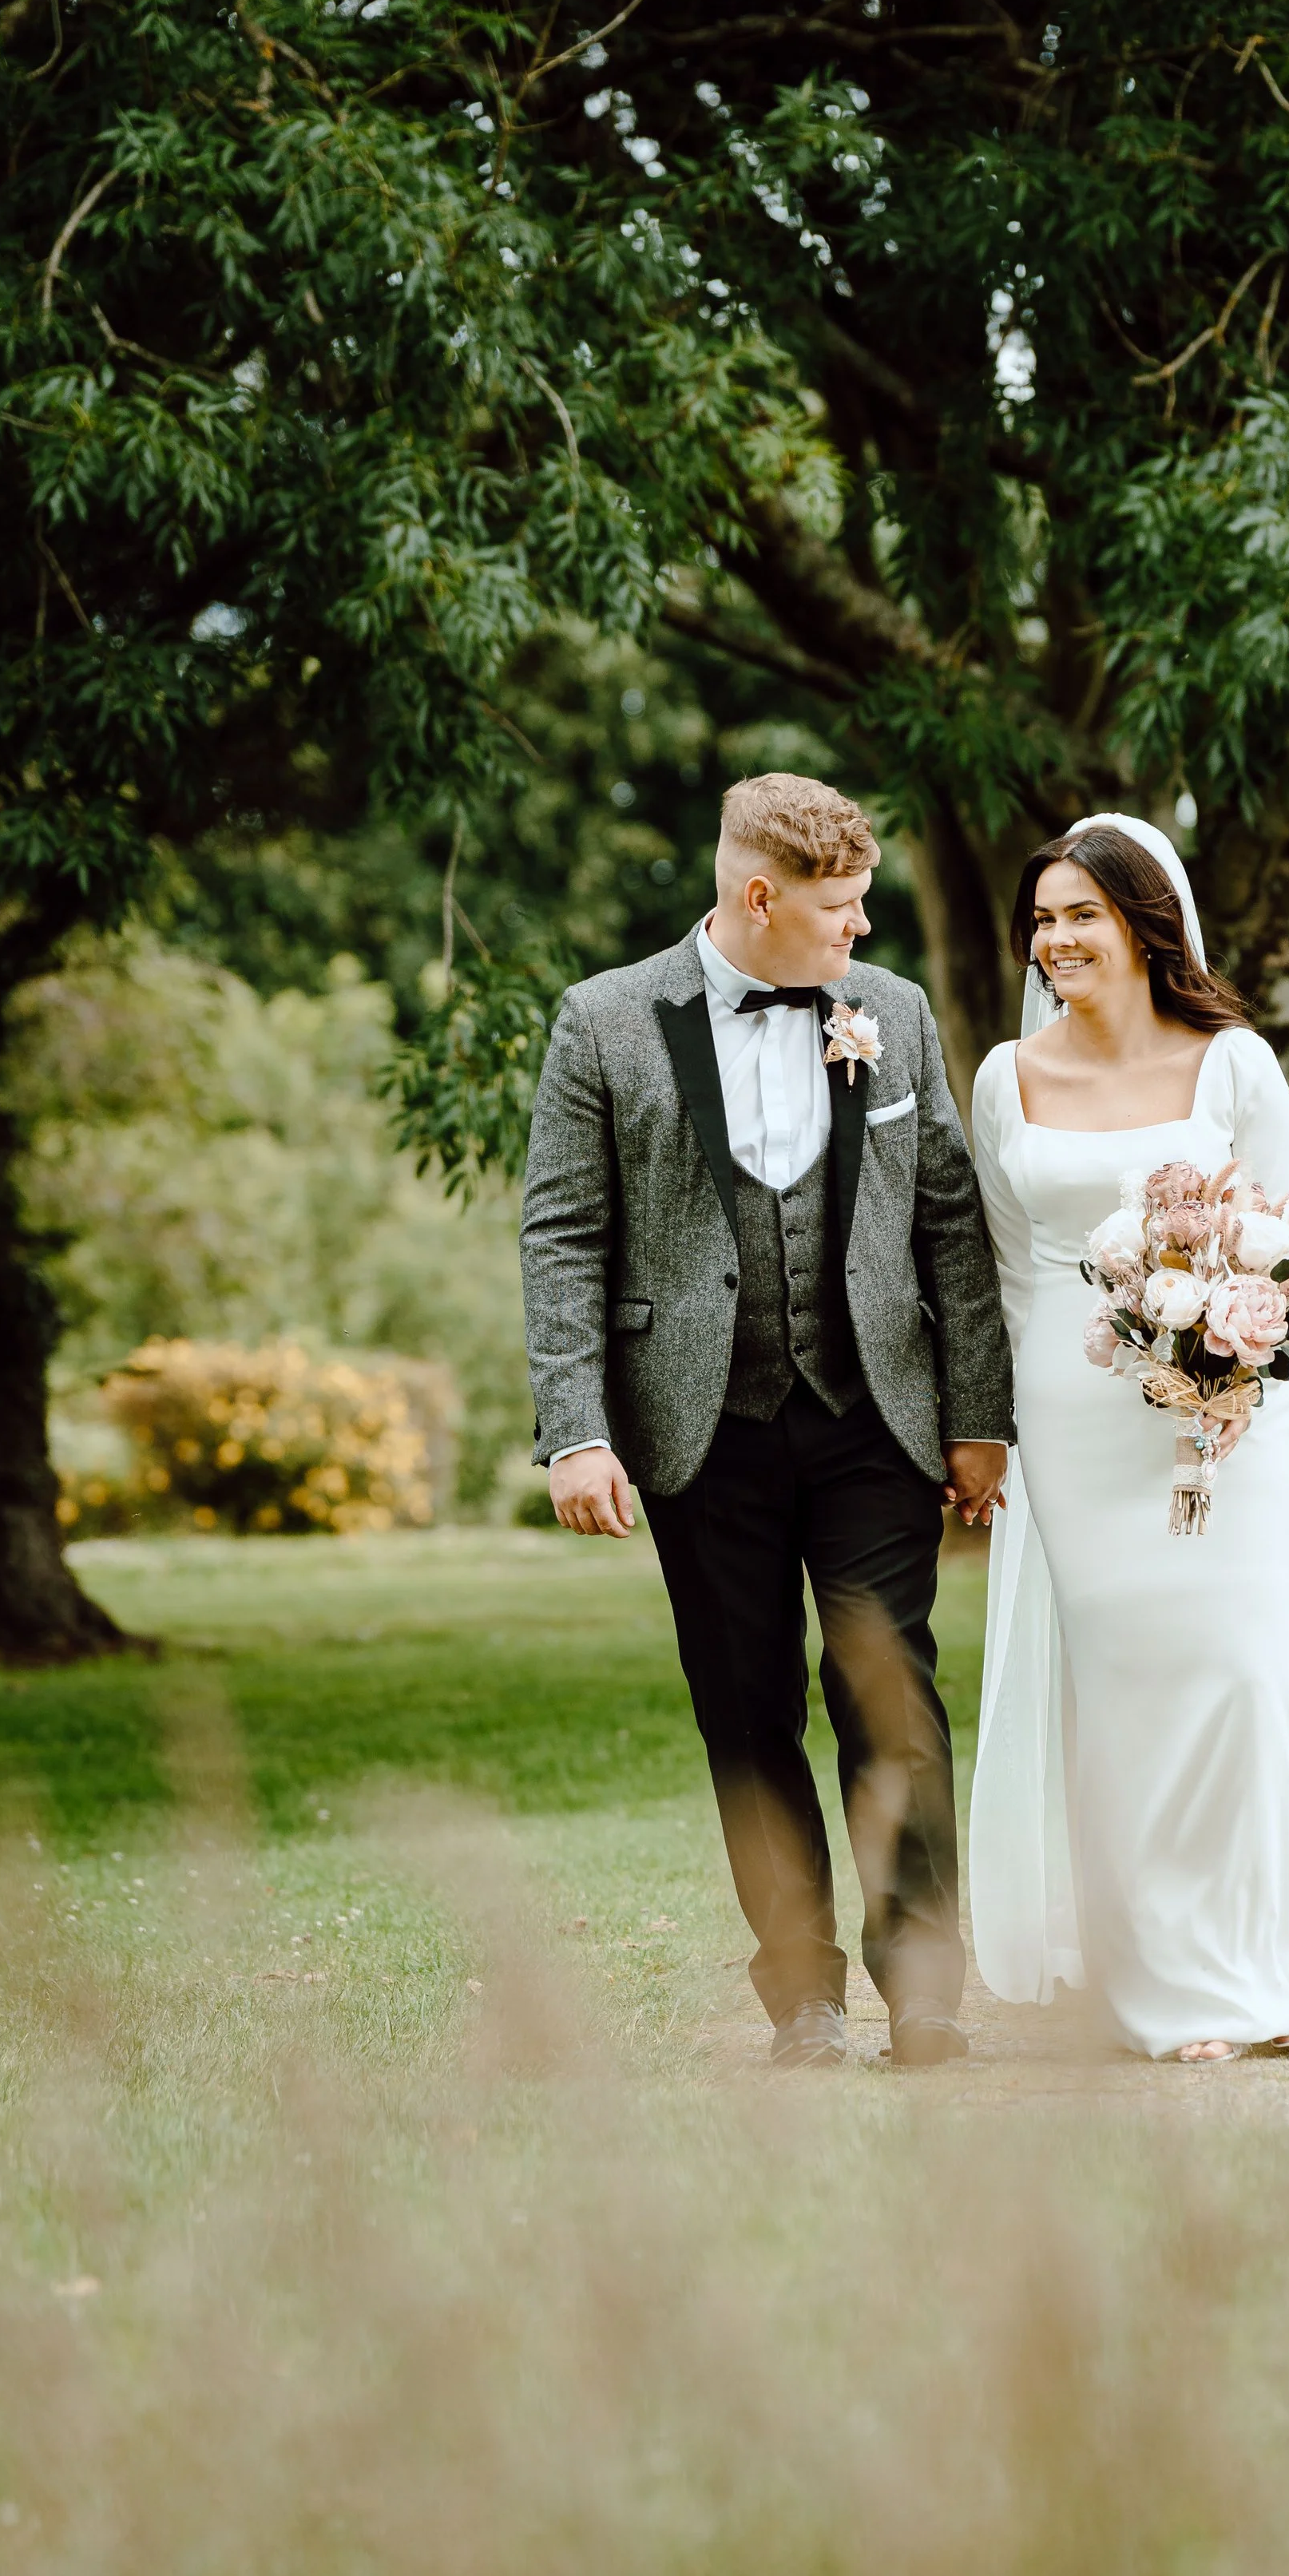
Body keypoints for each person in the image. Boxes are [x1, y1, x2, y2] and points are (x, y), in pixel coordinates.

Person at [966, 814, 1289, 2063]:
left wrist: (1228, 1357)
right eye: (1042, 918)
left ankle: (1281, 1951)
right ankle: (1179, 1981)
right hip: (1074, 1415)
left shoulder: (1233, 1064)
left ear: (1147, 925)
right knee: (1129, 1678)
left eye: (1082, 913)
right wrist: (1003, 1430)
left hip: (1234, 1412)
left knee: (1242, 1660)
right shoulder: (1005, 1076)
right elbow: (1007, 1270)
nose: (1056, 938)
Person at [521, 773, 1014, 2068]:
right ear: (759, 896)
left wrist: (981, 1417)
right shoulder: (607, 1022)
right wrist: (576, 1427)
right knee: (746, 1711)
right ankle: (803, 1995)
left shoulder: (892, 1015)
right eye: (840, 908)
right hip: (701, 1427)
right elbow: (563, 1234)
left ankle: (926, 1989)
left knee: (892, 1696)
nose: (859, 928)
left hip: (874, 1416)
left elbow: (950, 1222)